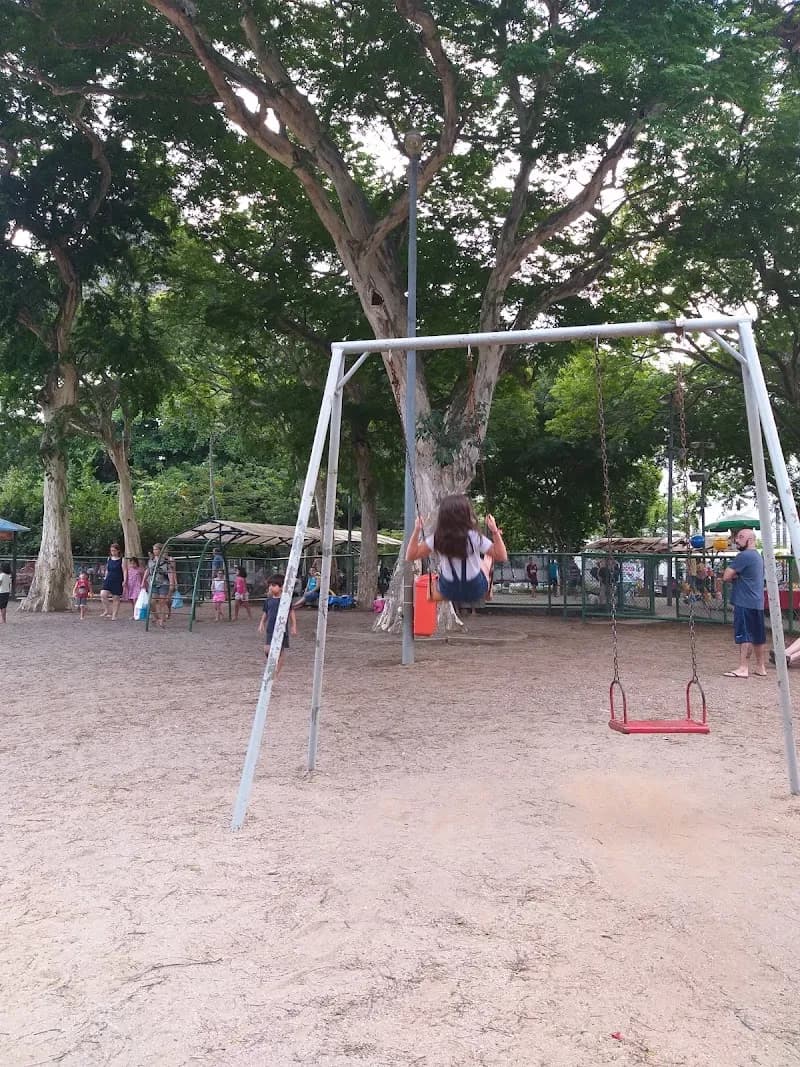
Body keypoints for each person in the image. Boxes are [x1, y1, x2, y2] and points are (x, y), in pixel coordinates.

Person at [405, 494, 507, 604]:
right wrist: (495, 531)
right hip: (475, 589)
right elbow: (502, 556)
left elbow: (410, 556)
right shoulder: (474, 537)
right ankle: (488, 589)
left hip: (448, 590)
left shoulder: (437, 538)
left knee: (443, 572)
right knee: (484, 564)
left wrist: (417, 530)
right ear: (466, 514)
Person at [722, 528, 766, 678]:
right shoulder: (757, 556)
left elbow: (726, 576)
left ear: (750, 540)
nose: (737, 540)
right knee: (758, 635)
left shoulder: (744, 556)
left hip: (745, 601)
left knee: (745, 635)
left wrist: (734, 576)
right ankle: (761, 666)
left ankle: (743, 667)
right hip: (757, 601)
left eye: (741, 537)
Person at [258, 573, 298, 677]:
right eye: (270, 585)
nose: (271, 587)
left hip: (281, 629)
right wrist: (262, 623)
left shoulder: (285, 600)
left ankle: (276, 672)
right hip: (270, 629)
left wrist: (293, 626)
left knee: (280, 651)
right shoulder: (268, 600)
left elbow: (291, 612)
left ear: (281, 587)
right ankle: (274, 664)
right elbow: (266, 613)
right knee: (267, 649)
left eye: (274, 585)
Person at [145, 543, 176, 629]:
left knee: (162, 602)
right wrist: (143, 581)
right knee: (151, 602)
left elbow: (170, 572)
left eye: (156, 549)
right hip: (153, 582)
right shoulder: (151, 560)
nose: (155, 551)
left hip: (164, 583)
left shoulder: (167, 561)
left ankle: (161, 620)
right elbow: (148, 570)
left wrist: (172, 584)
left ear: (161, 550)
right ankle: (156, 617)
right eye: (154, 549)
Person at [99, 543, 125, 620]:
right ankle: (107, 610)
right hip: (109, 578)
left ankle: (114, 615)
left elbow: (125, 571)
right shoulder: (109, 559)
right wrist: (105, 577)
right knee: (103, 594)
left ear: (118, 551)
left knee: (116, 597)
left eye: (114, 551)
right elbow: (107, 569)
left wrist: (125, 580)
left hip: (117, 579)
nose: (112, 552)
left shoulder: (122, 560)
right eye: (111, 551)